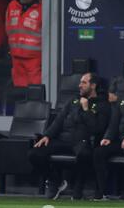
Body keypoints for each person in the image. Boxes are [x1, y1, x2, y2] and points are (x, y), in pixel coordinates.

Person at [28, 72, 110, 200]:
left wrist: (86, 109)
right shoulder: (73, 100)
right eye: (80, 82)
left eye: (84, 82)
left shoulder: (102, 104)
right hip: (62, 139)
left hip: (82, 141)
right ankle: (55, 181)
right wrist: (47, 135)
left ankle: (78, 188)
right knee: (34, 153)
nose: (80, 85)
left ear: (93, 85)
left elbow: (97, 128)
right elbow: (59, 120)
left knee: (85, 154)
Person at [5, 0, 42, 87]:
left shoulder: (42, 7)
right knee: (19, 90)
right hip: (16, 56)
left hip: (34, 57)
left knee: (35, 89)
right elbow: (7, 27)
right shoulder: (12, 5)